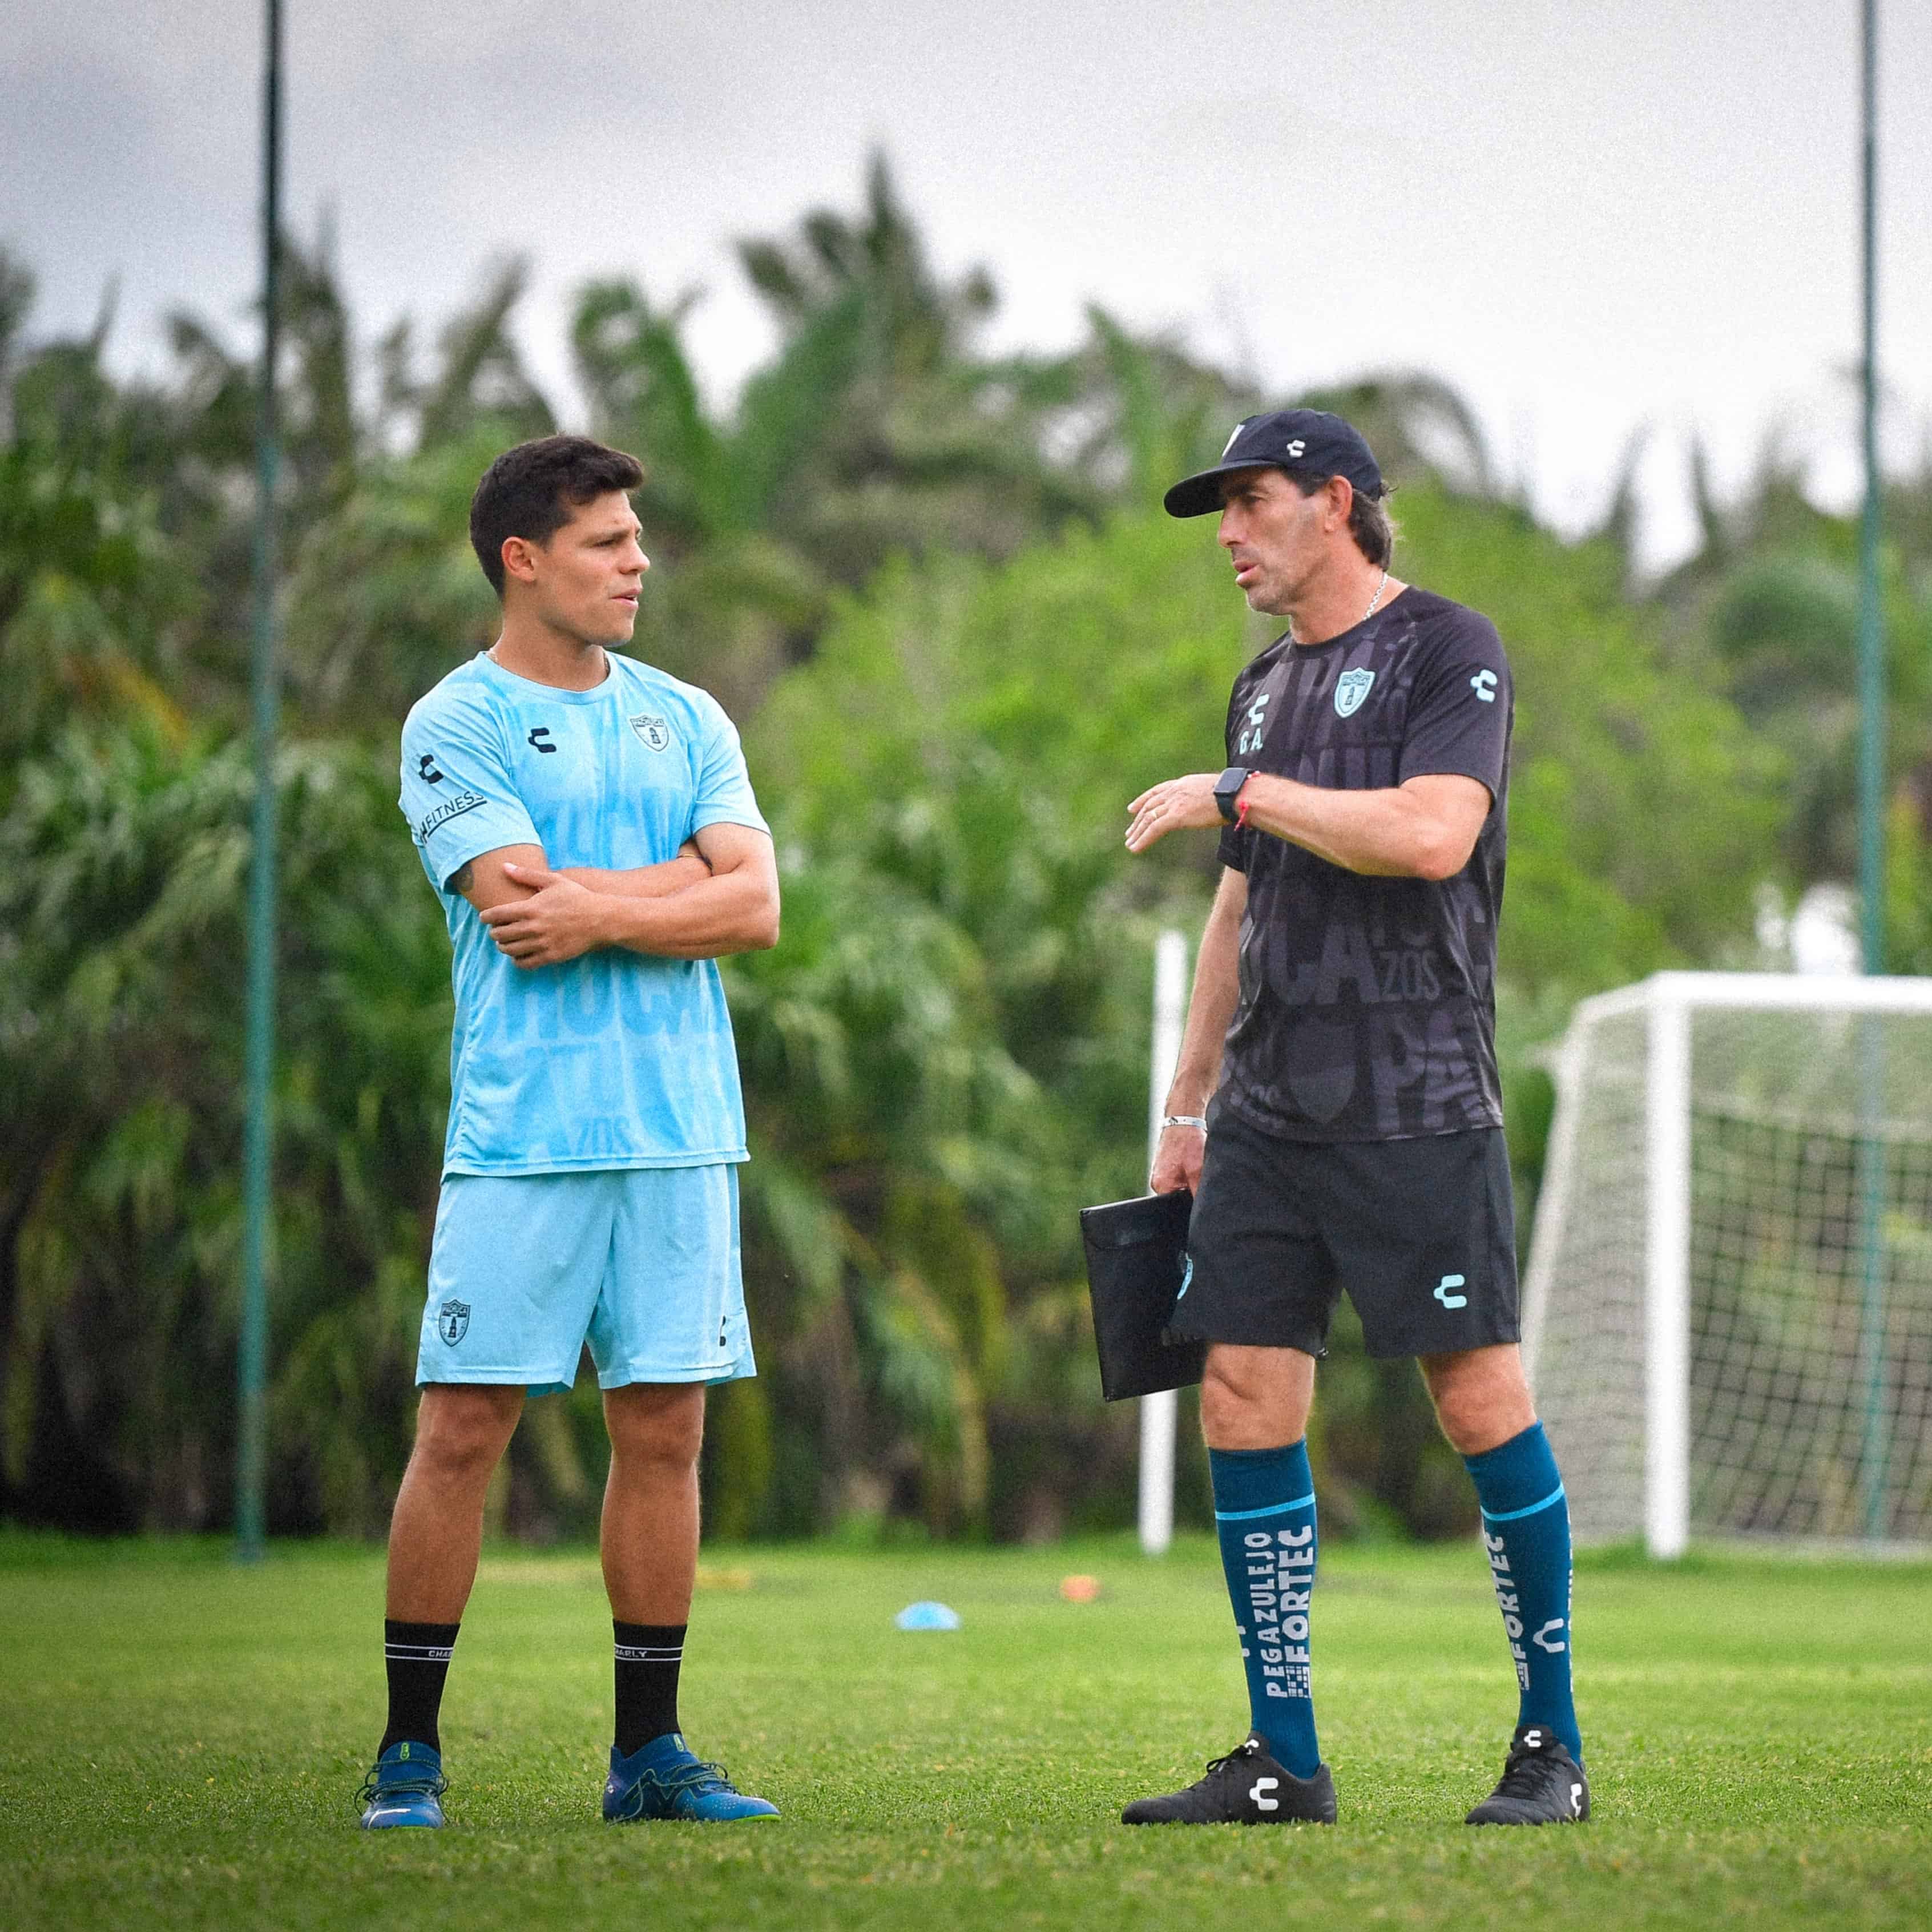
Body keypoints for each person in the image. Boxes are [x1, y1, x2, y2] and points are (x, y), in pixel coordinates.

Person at [1118, 409, 1586, 1829]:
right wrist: (1189, 1100)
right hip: (1266, 1112)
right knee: (1241, 1395)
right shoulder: (1258, 689)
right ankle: (1282, 1760)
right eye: (1220, 511)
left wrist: (1239, 791)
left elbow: (1435, 831)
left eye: (1250, 504)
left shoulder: (1453, 647)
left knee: (1474, 1397)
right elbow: (1238, 903)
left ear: (1335, 504)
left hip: (1417, 1097)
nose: (1229, 535)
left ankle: (1548, 1747)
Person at [358, 435, 782, 1829]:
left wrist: (606, 903)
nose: (638, 563)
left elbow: (757, 907)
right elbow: (516, 909)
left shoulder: (689, 716)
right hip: (524, 1134)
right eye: (607, 543)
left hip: (680, 1134)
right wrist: (674, 885)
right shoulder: (454, 721)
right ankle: (409, 1751)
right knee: (464, 1427)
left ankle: (647, 1755)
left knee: (664, 1432)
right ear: (522, 559)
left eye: (637, 540)